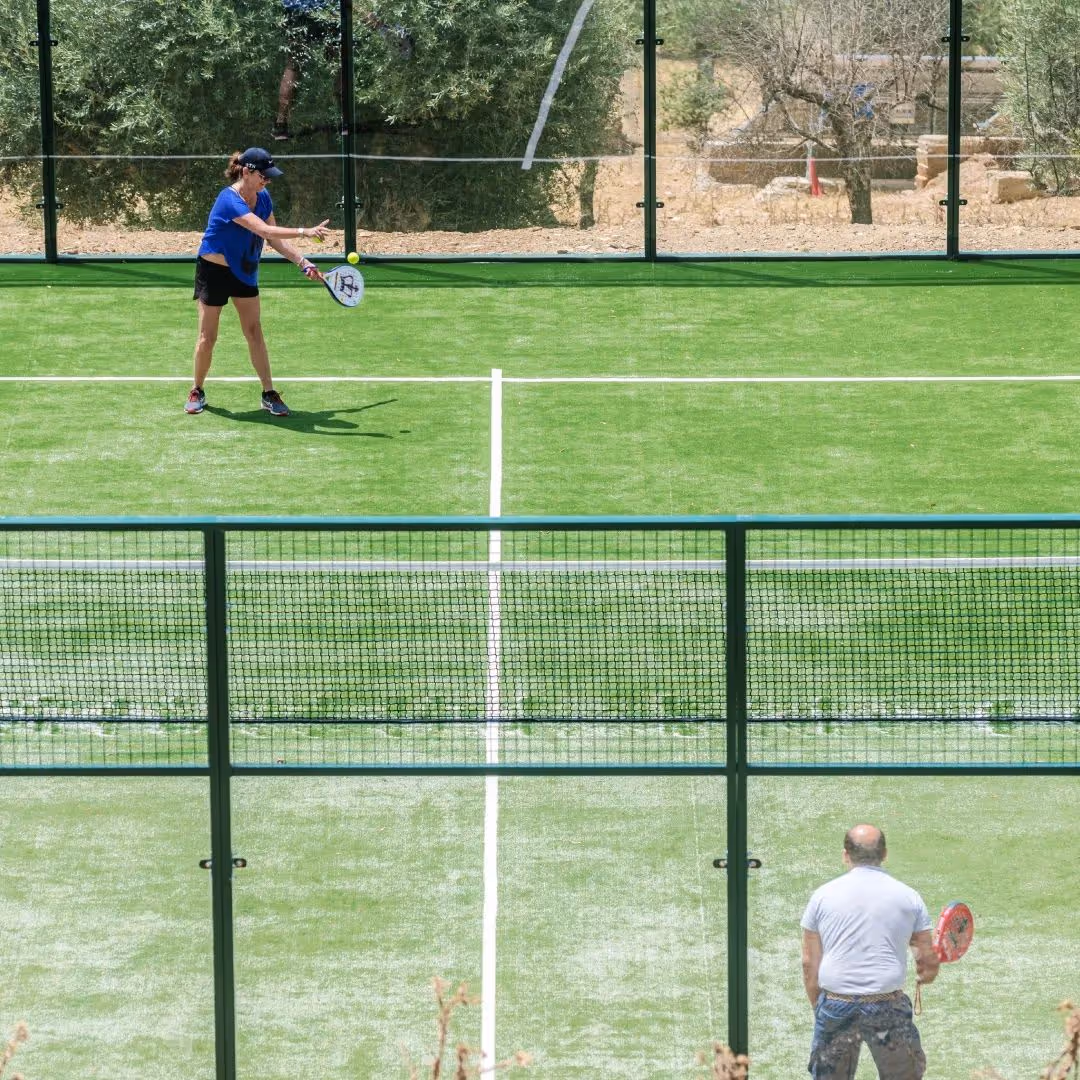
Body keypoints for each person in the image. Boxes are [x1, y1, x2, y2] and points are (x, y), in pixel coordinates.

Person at [187, 147, 329, 418]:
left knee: (254, 331)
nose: (268, 180)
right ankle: (197, 390)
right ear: (246, 171)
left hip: (244, 269)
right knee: (208, 337)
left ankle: (268, 393)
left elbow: (273, 239)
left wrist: (303, 262)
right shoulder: (228, 200)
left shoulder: (263, 198)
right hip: (213, 271)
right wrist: (305, 231)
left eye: (269, 176)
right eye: (264, 175)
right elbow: (262, 230)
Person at [800, 824, 939, 1080]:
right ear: (884, 854)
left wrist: (820, 1008)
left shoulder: (821, 897)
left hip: (836, 1003)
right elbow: (927, 963)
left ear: (845, 855)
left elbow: (810, 964)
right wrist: (927, 971)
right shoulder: (909, 897)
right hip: (886, 1005)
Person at [274, 0, 414, 141]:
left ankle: (281, 126)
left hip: (296, 7)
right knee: (342, 62)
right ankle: (345, 124)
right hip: (329, 8)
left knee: (293, 65)